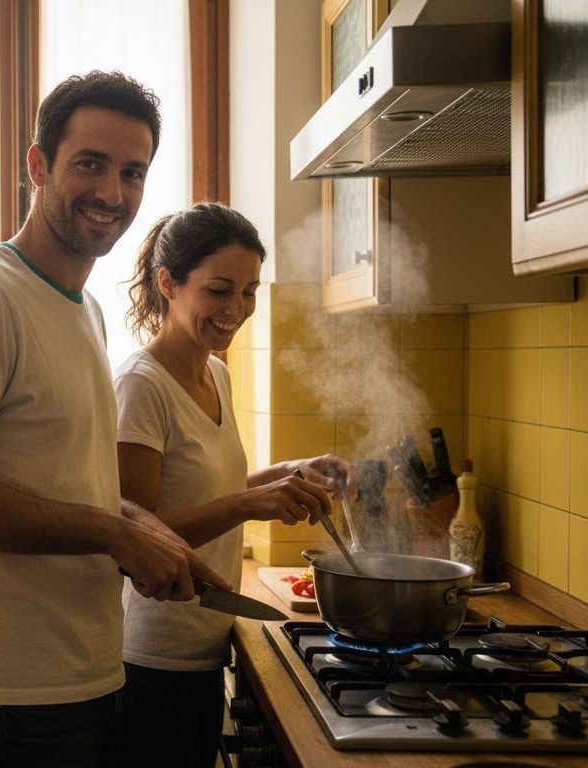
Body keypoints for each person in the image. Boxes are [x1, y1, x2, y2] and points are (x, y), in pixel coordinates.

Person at [0, 72, 230, 768]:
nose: (112, 193)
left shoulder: (86, 310)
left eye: (132, 173)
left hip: (87, 673)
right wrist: (114, 533)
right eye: (90, 164)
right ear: (38, 165)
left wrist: (150, 535)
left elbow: (70, 483)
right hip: (12, 696)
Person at [114, 203, 356, 766]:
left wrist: (292, 471)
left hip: (204, 642)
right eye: (219, 290)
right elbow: (136, 533)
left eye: (249, 292)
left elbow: (203, 486)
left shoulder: (215, 372)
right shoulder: (141, 386)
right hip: (151, 659)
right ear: (168, 283)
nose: (236, 310)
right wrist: (250, 504)